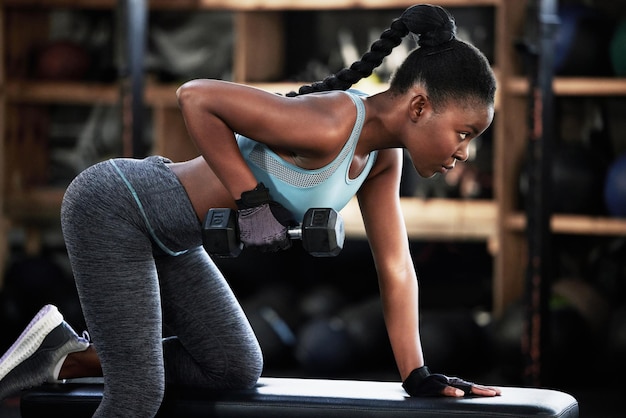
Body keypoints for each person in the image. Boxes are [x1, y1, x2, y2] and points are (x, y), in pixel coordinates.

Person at [0, 4, 500, 416]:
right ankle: (104, 362)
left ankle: (67, 356)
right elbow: (196, 98)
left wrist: (417, 375)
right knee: (137, 395)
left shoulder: (382, 160)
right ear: (418, 107)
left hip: (173, 240)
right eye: (464, 133)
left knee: (233, 366)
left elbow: (396, 268)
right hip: (117, 207)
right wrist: (252, 199)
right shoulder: (329, 123)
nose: (465, 153)